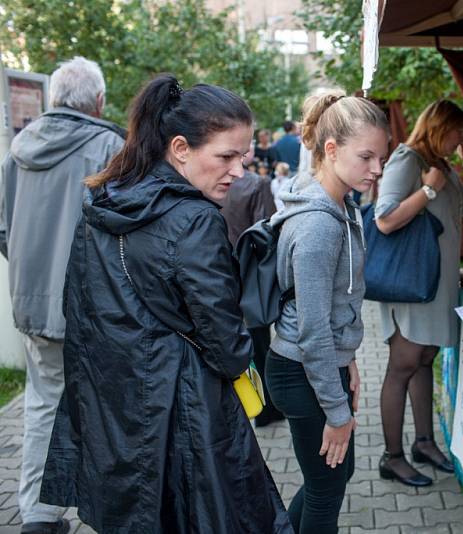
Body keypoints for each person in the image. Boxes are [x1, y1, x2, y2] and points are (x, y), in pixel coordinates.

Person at [38, 74, 290, 533]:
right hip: (182, 409)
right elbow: (229, 343)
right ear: (180, 148)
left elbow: (78, 306)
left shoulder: (103, 200)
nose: (239, 170)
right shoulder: (194, 219)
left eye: (244, 156)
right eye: (227, 156)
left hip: (112, 400)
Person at [0, 56, 124, 534]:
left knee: (42, 405)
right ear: (98, 101)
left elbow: (4, 228)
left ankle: (37, 514)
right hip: (94, 310)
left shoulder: (17, 149)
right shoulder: (110, 146)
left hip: (34, 308)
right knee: (108, 411)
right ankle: (108, 511)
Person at [265, 92, 389, 533]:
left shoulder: (340, 203)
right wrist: (337, 413)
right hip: (302, 368)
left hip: (318, 364)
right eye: (366, 156)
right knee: (326, 488)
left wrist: (349, 359)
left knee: (332, 479)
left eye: (381, 157)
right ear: (331, 150)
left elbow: (336, 305)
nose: (376, 169)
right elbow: (313, 329)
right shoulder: (318, 223)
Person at [375, 100, 463, 486]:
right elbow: (384, 219)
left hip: (436, 286)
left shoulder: (443, 163)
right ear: (440, 127)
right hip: (411, 285)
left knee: (424, 359)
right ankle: (392, 457)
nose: (460, 139)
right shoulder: (408, 159)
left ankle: (424, 442)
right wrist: (427, 190)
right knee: (402, 367)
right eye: (458, 132)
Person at [219, 149, 283, 428]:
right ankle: (266, 408)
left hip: (214, 275)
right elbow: (266, 232)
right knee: (259, 344)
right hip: (248, 277)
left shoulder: (203, 180)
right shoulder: (257, 184)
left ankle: (239, 408)